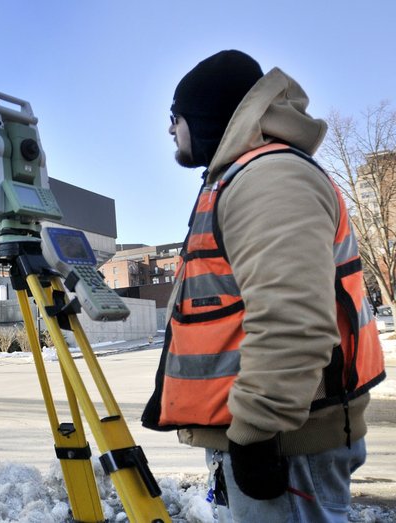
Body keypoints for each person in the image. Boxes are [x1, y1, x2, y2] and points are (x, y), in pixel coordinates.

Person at [141, 50, 387, 522]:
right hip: (276, 438)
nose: (170, 130)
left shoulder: (269, 177)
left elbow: (293, 324)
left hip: (286, 445)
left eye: (175, 117)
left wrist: (254, 434)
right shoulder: (247, 177)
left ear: (207, 112)